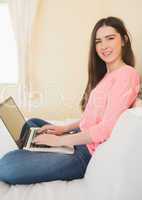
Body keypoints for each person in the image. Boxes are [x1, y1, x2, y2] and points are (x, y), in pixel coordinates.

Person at [0, 16, 140, 185]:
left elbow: (105, 129)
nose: (103, 46)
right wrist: (63, 128)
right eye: (98, 41)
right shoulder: (107, 75)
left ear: (124, 40)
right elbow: (93, 118)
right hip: (78, 137)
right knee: (32, 124)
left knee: (6, 167)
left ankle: (36, 150)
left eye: (110, 38)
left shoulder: (127, 74)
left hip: (84, 153)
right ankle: (36, 147)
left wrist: (59, 141)